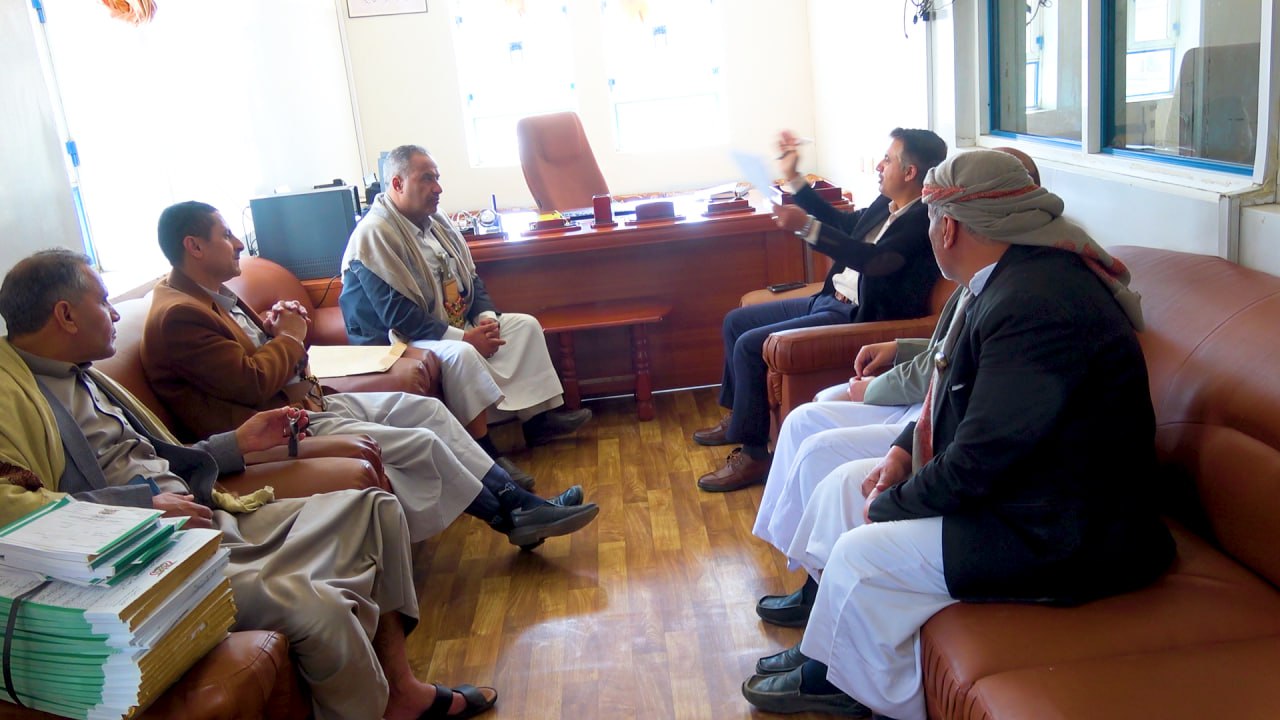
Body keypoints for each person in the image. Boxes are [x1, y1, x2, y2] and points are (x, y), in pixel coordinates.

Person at [740, 150, 1174, 720]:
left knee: (863, 554)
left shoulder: (1037, 304)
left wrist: (893, 504)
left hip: (1069, 532)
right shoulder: (1010, 275)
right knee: (848, 486)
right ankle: (827, 650)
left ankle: (843, 686)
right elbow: (957, 394)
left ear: (947, 227)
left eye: (929, 220)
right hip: (1030, 492)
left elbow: (984, 456)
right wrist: (901, 453)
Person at [0, 249, 497, 720]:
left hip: (203, 511)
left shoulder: (83, 374)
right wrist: (146, 508)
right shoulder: (12, 393)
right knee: (319, 609)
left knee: (376, 509)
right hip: (152, 548)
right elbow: (19, 507)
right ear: (66, 315)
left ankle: (401, 691)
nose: (113, 313)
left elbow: (160, 454)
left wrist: (237, 442)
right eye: (102, 301)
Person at [141, 201, 598, 551]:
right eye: (226, 236)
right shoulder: (179, 315)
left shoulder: (209, 294)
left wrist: (273, 328)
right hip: (273, 429)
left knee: (429, 413)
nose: (239, 244)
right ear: (194, 247)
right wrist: (291, 335)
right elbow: (252, 382)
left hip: (306, 401)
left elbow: (249, 356)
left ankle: (521, 508)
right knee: (419, 442)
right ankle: (515, 515)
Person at [751, 148, 1041, 628]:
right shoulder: (992, 274)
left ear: (952, 224)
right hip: (935, 411)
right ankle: (811, 580)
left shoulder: (1023, 295)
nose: (879, 167)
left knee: (832, 463)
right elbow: (948, 351)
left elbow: (968, 408)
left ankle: (819, 596)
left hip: (1014, 506)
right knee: (810, 418)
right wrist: (902, 350)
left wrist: (894, 488)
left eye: (886, 158)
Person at [692, 128, 947, 493]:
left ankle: (754, 455)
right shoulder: (887, 203)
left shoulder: (922, 219)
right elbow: (844, 223)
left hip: (856, 313)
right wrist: (794, 178)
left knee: (750, 344)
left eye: (887, 159)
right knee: (736, 322)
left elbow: (874, 261)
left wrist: (807, 227)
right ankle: (740, 419)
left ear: (910, 172)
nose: (879, 165)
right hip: (830, 297)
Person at [339, 144, 590, 450]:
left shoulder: (437, 222)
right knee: (462, 354)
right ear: (397, 183)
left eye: (437, 178)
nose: (438, 188)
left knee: (524, 327)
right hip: (398, 338)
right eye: (427, 179)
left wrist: (486, 320)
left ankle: (538, 422)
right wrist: (465, 339)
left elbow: (470, 278)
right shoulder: (373, 234)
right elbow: (397, 315)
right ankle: (486, 453)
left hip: (451, 321)